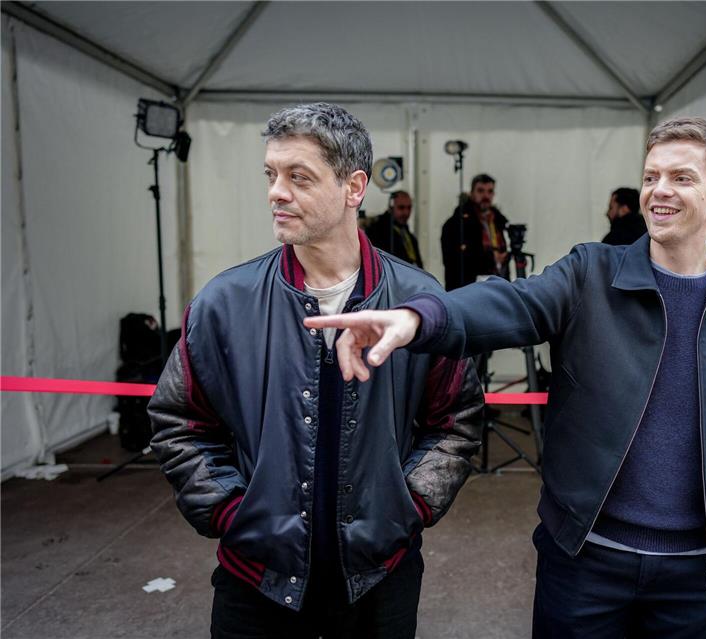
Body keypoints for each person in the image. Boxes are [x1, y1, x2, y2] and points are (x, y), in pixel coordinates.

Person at [308, 117, 706, 639]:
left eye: (682, 178)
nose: (659, 191)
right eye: (651, 177)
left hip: (699, 576)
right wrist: (420, 317)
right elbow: (514, 302)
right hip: (586, 560)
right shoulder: (590, 273)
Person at [147, 102, 483, 639]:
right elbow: (179, 422)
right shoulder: (223, 303)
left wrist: (410, 505)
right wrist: (234, 514)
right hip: (255, 581)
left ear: (354, 187)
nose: (275, 192)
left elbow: (456, 422)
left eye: (298, 177)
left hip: (380, 579)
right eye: (271, 174)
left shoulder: (419, 303)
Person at [440, 173, 509, 290]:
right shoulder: (457, 223)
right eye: (480, 191)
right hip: (467, 289)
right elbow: (455, 261)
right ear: (472, 193)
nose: (486, 196)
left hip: (497, 286)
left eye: (490, 191)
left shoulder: (497, 221)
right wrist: (491, 258)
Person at [366, 190, 423, 268]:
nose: (406, 212)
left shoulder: (408, 234)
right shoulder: (378, 231)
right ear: (391, 207)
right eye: (401, 208)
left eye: (409, 208)